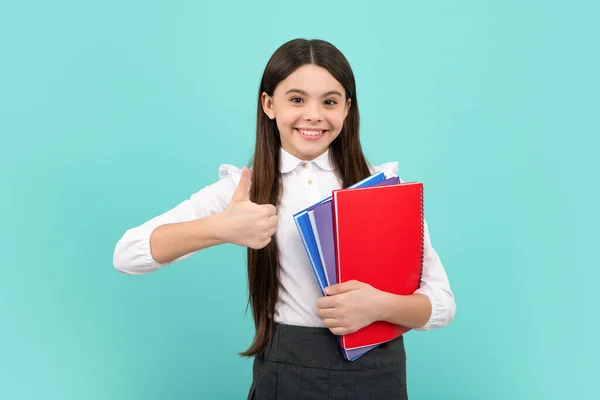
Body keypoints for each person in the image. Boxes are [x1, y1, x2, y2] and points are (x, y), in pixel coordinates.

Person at [113, 38, 455, 399]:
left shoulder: (382, 187)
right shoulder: (243, 189)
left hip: (378, 373)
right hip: (287, 372)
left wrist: (380, 306)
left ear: (347, 108)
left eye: (329, 101)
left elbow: (442, 303)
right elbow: (128, 254)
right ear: (268, 104)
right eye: (296, 99)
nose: (313, 115)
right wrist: (219, 229)